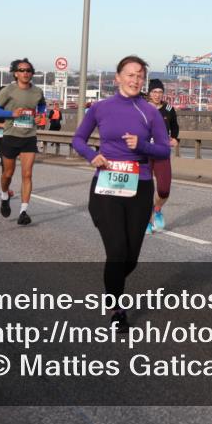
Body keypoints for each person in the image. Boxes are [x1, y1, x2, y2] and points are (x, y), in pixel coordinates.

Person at [72, 56, 170, 328]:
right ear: (117, 77)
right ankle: (117, 309)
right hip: (106, 185)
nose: (135, 80)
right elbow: (77, 139)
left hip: (140, 185)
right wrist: (91, 155)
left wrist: (142, 145)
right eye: (130, 74)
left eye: (140, 75)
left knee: (130, 257)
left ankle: (111, 285)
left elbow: (164, 149)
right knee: (117, 250)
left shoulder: (150, 112)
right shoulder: (100, 108)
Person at [0, 58, 46, 226]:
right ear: (16, 73)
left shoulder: (37, 91)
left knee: (27, 174)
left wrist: (40, 115)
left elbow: (42, 105)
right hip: (11, 136)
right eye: (22, 70)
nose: (25, 73)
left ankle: (23, 211)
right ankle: (4, 195)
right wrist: (11, 114)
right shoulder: (9, 90)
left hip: (29, 137)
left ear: (32, 73)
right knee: (8, 174)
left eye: (28, 70)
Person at [146, 79, 178, 234]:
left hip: (161, 151)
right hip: (144, 152)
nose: (157, 95)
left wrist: (176, 139)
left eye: (160, 92)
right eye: (154, 92)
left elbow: (175, 128)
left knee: (164, 189)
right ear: (149, 93)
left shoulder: (169, 109)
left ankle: (157, 209)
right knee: (145, 189)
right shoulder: (142, 107)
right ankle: (146, 220)